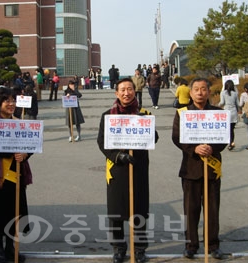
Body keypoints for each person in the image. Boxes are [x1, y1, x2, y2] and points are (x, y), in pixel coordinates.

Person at [97, 78, 158, 263]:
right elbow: (101, 142)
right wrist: (118, 156)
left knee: (139, 209)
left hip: (138, 168)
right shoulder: (108, 116)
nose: (126, 93)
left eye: (129, 89)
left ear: (134, 91)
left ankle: (139, 248)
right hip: (117, 169)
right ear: (116, 93)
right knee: (117, 210)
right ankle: (118, 247)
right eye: (122, 89)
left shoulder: (143, 114)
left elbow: (153, 138)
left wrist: (144, 124)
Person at [172, 77, 227, 260]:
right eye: (196, 89)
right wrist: (194, 148)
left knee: (212, 209)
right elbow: (176, 136)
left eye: (203, 89)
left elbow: (226, 136)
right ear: (191, 92)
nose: (200, 92)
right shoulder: (183, 113)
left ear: (209, 92)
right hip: (190, 169)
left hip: (212, 169)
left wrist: (213, 147)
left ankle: (213, 244)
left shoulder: (218, 113)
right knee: (191, 209)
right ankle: (191, 244)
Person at [0, 87, 33, 263]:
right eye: (7, 101)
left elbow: (30, 145)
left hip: (17, 175)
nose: (11, 104)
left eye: (13, 100)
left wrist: (24, 154)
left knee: (15, 213)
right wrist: (12, 151)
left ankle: (11, 248)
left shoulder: (19, 121)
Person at [218, 80, 240, 150]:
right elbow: (238, 104)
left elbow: (222, 102)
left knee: (227, 129)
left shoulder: (223, 93)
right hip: (233, 112)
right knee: (232, 129)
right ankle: (231, 142)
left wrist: (217, 106)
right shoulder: (235, 93)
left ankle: (227, 142)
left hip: (226, 112)